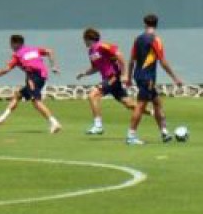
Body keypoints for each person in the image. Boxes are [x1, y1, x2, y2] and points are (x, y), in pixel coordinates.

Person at [125, 14, 184, 145]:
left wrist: (128, 78)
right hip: (148, 78)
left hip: (138, 76)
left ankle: (164, 132)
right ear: (156, 25)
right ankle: (131, 136)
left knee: (157, 102)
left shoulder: (138, 39)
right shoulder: (155, 40)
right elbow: (162, 61)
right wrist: (175, 77)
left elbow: (131, 61)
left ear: (145, 24)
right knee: (140, 105)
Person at [0, 35, 63, 134]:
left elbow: (7, 69)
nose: (11, 46)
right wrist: (54, 66)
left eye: (11, 44)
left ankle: (54, 123)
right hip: (42, 76)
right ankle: (2, 118)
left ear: (16, 44)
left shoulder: (17, 55)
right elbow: (49, 51)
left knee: (36, 101)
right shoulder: (33, 49)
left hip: (33, 77)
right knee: (18, 95)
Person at [76, 28, 140, 135]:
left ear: (89, 38)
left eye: (84, 40)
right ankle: (153, 112)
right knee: (129, 104)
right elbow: (95, 67)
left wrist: (124, 74)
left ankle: (98, 126)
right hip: (108, 79)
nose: (84, 42)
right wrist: (84, 73)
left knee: (93, 95)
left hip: (113, 77)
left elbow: (119, 55)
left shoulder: (103, 46)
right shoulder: (91, 52)